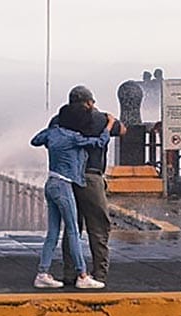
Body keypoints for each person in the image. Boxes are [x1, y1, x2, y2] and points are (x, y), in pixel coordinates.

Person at [30, 103, 117, 289]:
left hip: (50, 183)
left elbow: (35, 140)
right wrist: (109, 125)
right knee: (73, 231)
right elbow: (100, 142)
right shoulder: (74, 138)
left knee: (53, 232)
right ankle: (82, 275)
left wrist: (51, 133)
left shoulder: (52, 133)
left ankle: (42, 273)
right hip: (64, 186)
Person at [53, 86, 126, 284]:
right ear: (89, 102)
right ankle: (99, 274)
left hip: (67, 179)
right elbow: (123, 130)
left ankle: (70, 273)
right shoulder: (100, 119)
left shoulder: (59, 120)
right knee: (99, 228)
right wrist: (109, 121)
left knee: (72, 228)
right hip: (91, 178)